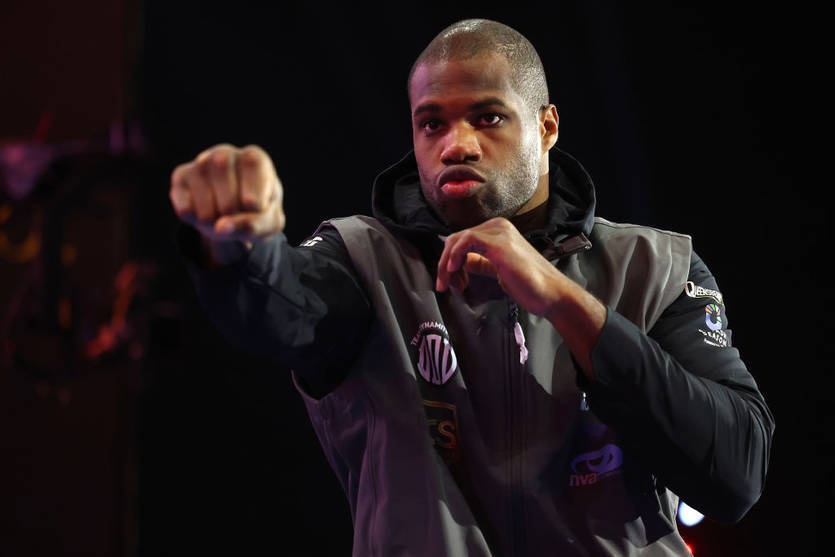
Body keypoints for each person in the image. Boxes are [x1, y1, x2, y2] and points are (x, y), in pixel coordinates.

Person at [168, 18, 774, 556]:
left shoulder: (656, 266)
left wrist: (563, 299)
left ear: (547, 126)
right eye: (432, 123)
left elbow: (736, 474)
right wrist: (236, 251)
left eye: (488, 117)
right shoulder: (361, 260)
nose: (456, 145)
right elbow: (276, 311)